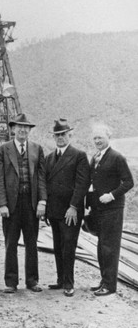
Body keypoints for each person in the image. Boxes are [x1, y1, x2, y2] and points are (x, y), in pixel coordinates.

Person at [0, 113, 47, 293]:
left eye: (26, 127)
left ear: (29, 130)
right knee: (11, 243)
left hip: (31, 203)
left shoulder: (37, 149)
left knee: (32, 243)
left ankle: (32, 281)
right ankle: (11, 282)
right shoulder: (3, 150)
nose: (23, 130)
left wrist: (42, 201)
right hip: (11, 204)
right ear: (13, 129)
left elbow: (41, 177)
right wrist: (1, 204)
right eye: (19, 127)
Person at [45, 119, 90, 297]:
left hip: (70, 211)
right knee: (57, 246)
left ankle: (69, 283)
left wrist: (73, 206)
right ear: (54, 137)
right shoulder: (49, 158)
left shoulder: (79, 155)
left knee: (68, 247)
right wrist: (47, 209)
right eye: (57, 135)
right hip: (55, 210)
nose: (60, 138)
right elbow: (46, 184)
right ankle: (60, 280)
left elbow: (82, 184)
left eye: (63, 134)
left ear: (69, 135)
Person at [87, 123, 134, 296]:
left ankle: (110, 285)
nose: (97, 141)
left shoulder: (117, 157)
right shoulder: (95, 157)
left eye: (100, 137)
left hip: (113, 209)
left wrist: (112, 195)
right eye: (95, 138)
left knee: (110, 247)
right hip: (99, 210)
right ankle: (104, 281)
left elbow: (129, 182)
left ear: (109, 137)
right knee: (101, 247)